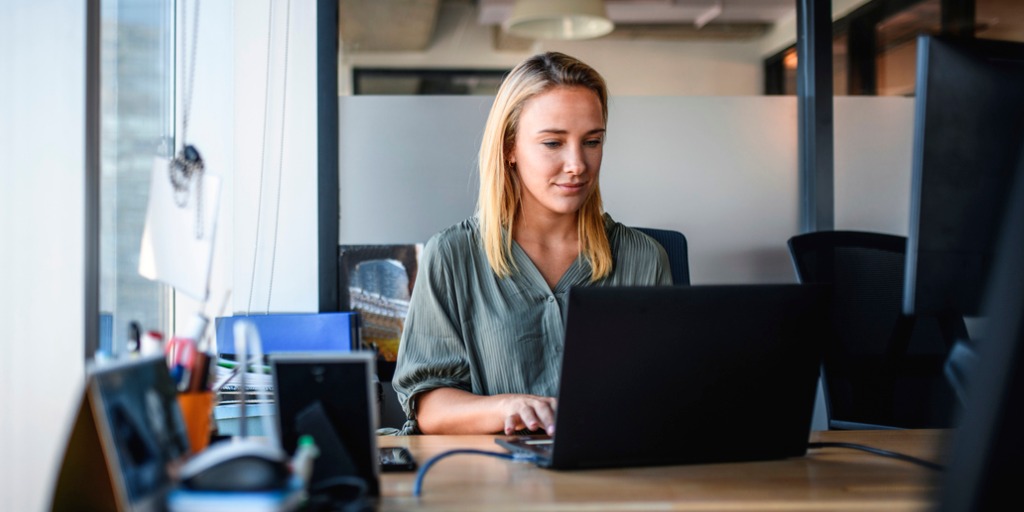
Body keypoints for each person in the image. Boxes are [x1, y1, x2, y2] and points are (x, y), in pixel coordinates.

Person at [391, 51, 672, 436]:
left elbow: (668, 392)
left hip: (616, 476)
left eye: (592, 141)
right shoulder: (452, 255)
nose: (577, 164)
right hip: (497, 482)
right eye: (553, 143)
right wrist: (510, 406)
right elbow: (429, 407)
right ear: (510, 147)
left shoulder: (644, 258)